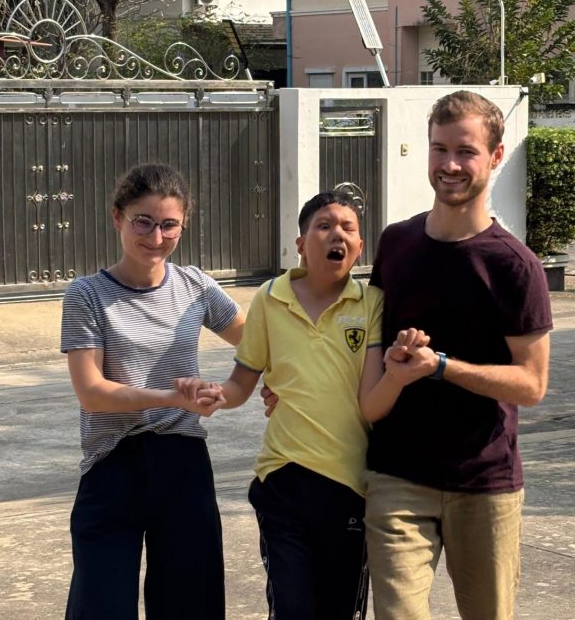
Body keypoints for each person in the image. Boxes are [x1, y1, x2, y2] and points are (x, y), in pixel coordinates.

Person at [176, 190, 427, 620]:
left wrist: (398, 377)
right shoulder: (271, 300)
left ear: (360, 247)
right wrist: (218, 397)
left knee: (338, 609)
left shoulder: (370, 304)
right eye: (325, 225)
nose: (338, 235)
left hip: (349, 487)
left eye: (349, 228)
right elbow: (243, 380)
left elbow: (370, 406)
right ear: (301, 243)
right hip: (282, 480)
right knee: (292, 608)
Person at [363, 91, 553, 620]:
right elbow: (363, 343)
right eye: (438, 149)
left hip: (483, 482)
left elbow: (532, 385)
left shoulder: (515, 266)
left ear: (495, 157)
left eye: (465, 151)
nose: (449, 165)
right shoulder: (395, 244)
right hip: (397, 476)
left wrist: (441, 367)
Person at [59, 163, 244, 620]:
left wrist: (235, 389)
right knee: (103, 605)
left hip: (183, 464)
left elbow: (262, 344)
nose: (156, 237)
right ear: (117, 216)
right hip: (112, 465)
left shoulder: (196, 286)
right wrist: (170, 398)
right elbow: (93, 393)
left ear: (184, 224)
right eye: (143, 221)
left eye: (169, 225)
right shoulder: (86, 295)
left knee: (192, 603)